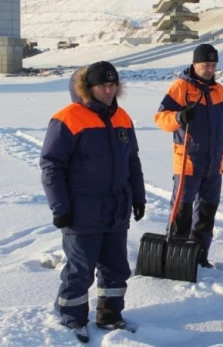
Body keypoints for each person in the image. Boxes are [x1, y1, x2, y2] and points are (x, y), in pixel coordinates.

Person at [40, 61, 146, 342]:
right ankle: (71, 317)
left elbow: (132, 160)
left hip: (116, 209)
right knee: (80, 270)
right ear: (89, 88)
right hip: (81, 212)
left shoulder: (122, 117)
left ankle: (110, 315)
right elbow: (52, 166)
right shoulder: (68, 118)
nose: (109, 90)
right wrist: (60, 208)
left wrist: (138, 196)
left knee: (116, 268)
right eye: (103, 85)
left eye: (113, 85)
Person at [154, 44, 223, 268]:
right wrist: (179, 117)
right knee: (182, 211)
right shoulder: (181, 88)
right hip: (187, 163)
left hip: (213, 165)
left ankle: (199, 256)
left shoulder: (221, 92)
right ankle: (176, 257)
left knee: (207, 212)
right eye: (205, 65)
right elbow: (161, 118)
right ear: (195, 64)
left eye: (212, 65)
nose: (209, 69)